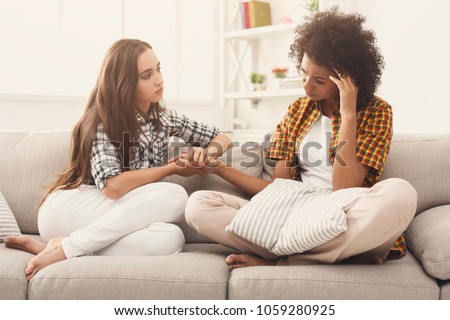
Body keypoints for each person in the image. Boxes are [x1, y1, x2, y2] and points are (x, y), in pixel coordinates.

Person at [185, 9, 417, 269]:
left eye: (318, 80)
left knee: (401, 193)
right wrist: (220, 168)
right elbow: (279, 189)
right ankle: (332, 255)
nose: (306, 86)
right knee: (198, 205)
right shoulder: (298, 110)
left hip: (346, 210)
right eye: (304, 73)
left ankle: (282, 260)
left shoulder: (377, 111)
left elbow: (345, 188)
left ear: (348, 79)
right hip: (297, 211)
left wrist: (348, 113)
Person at [5, 39, 231, 279]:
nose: (159, 79)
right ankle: (67, 248)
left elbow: (221, 137)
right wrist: (170, 169)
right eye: (146, 75)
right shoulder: (101, 120)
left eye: (158, 68)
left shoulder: (163, 116)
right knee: (175, 195)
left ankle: (63, 246)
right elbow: (113, 187)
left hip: (99, 221)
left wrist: (206, 155)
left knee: (171, 238)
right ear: (124, 84)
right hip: (67, 210)